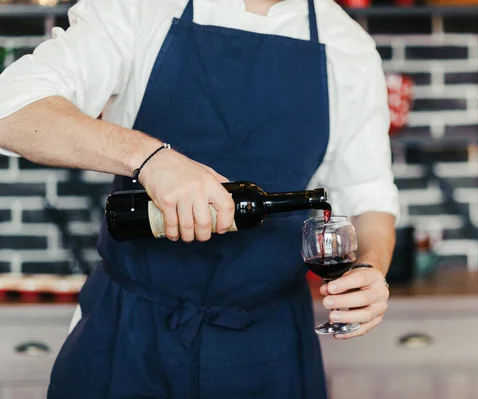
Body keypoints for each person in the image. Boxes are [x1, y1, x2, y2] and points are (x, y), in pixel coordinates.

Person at [0, 0, 398, 397]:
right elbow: (12, 111)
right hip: (127, 336)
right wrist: (150, 159)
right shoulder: (139, 7)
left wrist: (371, 269)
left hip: (270, 348)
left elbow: (369, 197)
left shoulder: (347, 45)